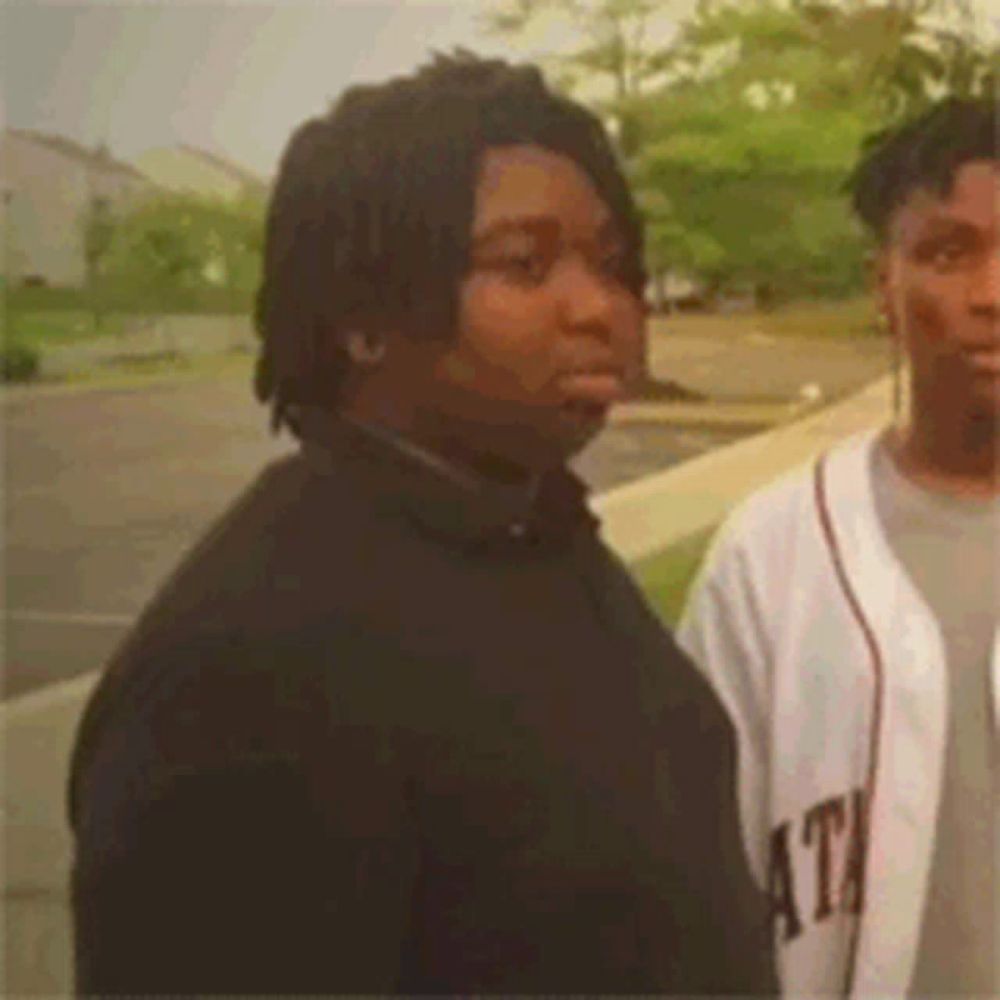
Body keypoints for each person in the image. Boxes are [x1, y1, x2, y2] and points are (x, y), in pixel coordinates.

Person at [69, 52, 773, 995]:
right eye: (525, 264)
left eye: (610, 263)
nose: (599, 307)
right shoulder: (250, 670)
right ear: (364, 315)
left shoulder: (533, 534)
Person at [677, 96, 999, 996]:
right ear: (883, 287)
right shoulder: (770, 555)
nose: (990, 293)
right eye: (946, 253)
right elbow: (695, 884)